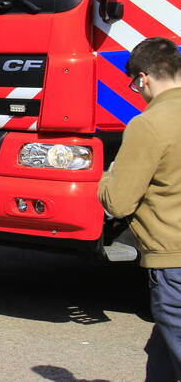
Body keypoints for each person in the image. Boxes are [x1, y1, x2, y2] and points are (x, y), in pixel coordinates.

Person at [99, 36, 181, 381]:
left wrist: (109, 174)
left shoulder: (148, 124)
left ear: (143, 78)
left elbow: (118, 201)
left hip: (172, 259)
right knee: (161, 354)